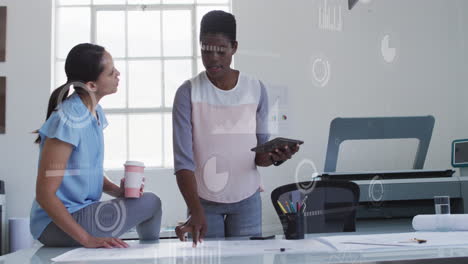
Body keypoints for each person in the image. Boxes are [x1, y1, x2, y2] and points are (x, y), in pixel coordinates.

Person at [172, 11, 300, 246]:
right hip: (204, 202)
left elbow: (259, 157)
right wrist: (194, 209)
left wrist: (276, 157)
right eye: (205, 50)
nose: (212, 59)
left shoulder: (256, 89)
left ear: (234, 47)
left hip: (247, 199)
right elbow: (183, 163)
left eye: (221, 51)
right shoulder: (187, 93)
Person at [30, 43, 162, 248]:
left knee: (146, 202)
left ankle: (145, 254)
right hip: (54, 225)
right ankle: (149, 256)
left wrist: (120, 191)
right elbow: (45, 194)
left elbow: (87, 171)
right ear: (91, 85)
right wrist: (87, 239)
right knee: (151, 203)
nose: (118, 74)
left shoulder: (95, 113)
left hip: (83, 211)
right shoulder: (68, 119)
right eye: (111, 72)